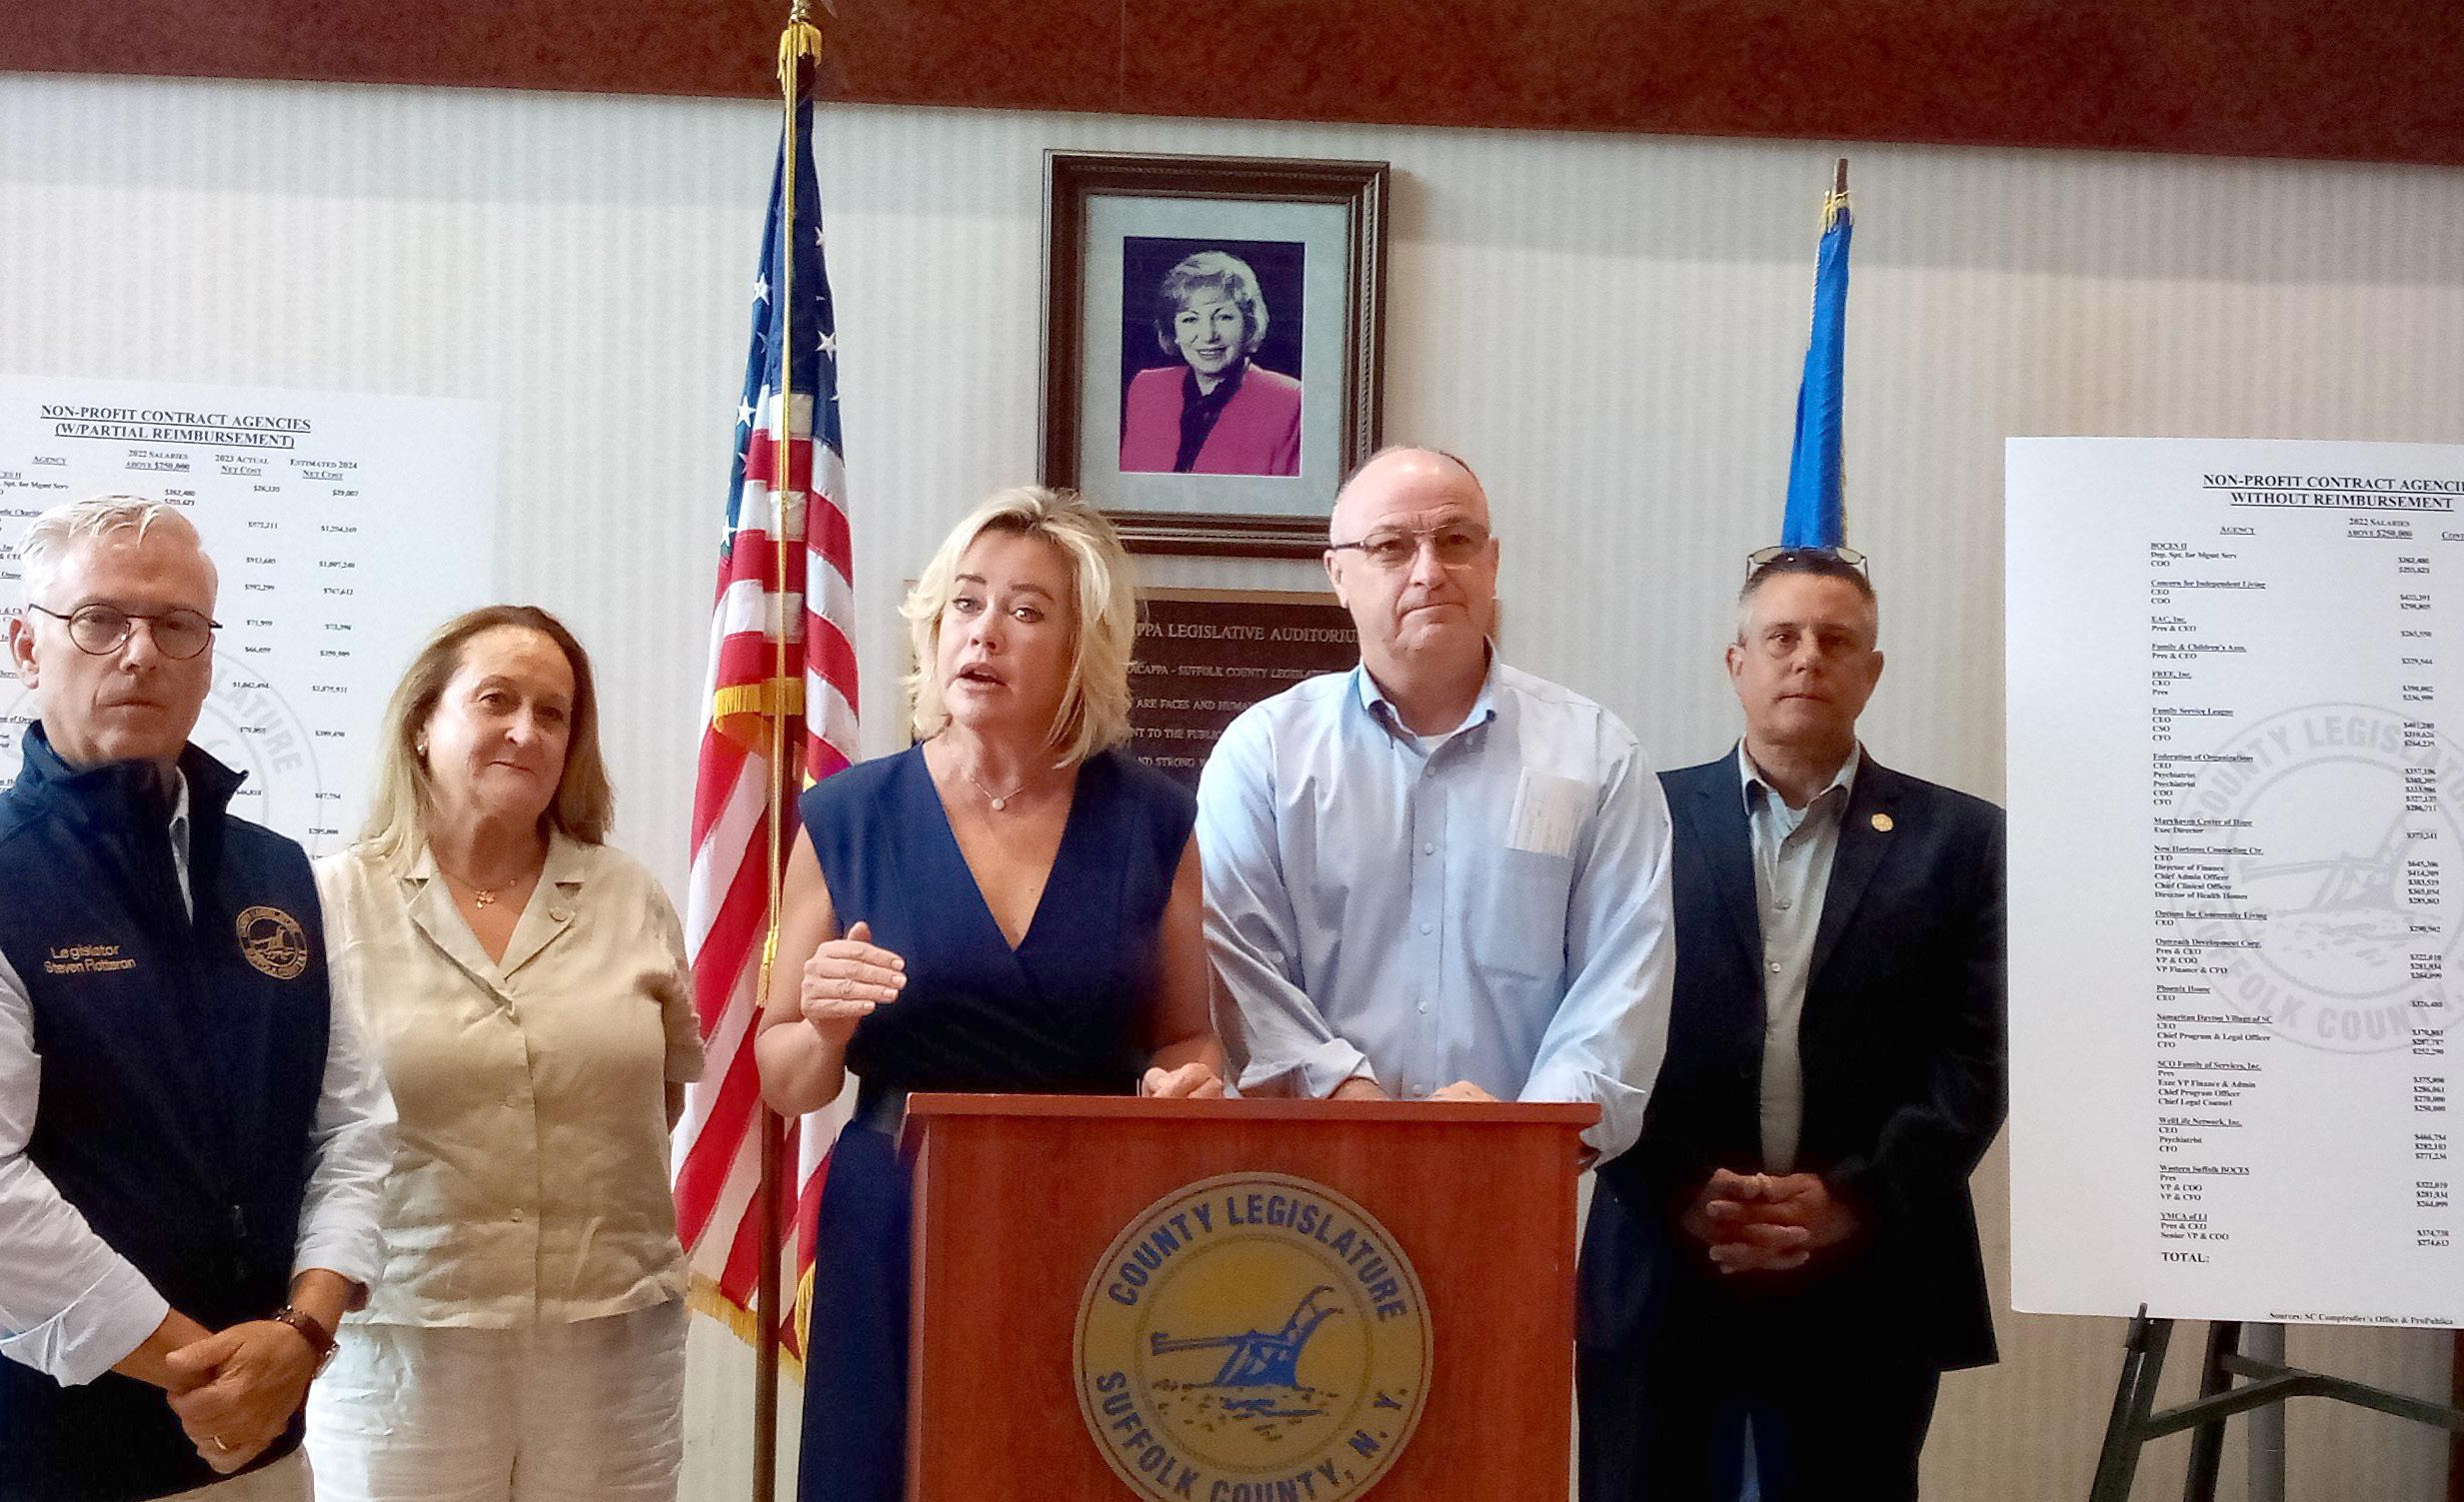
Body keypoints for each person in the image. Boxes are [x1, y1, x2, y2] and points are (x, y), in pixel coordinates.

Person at [0, 496, 391, 1501]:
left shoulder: (284, 880)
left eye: (177, 624)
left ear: (208, 656)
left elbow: (352, 1125)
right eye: (99, 620)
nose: (141, 652)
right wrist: (216, 1377)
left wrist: (302, 1333)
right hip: (32, 1462)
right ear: (28, 648)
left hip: (262, 1451)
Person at [756, 486, 1224, 1502]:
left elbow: (1189, 1037)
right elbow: (786, 1081)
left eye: (1025, 610)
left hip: (1094, 1215)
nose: (984, 632)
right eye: (965, 603)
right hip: (898, 1211)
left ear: (1080, 649)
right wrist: (824, 1027)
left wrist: (1187, 1083)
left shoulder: (1153, 821)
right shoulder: (846, 814)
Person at [1575, 549, 2006, 1502]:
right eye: (1781, 636)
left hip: (1868, 1267)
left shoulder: (1966, 842)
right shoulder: (1634, 819)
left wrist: (1848, 1198)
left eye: (1835, 640)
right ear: (1737, 663)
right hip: (1663, 1252)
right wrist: (1683, 1189)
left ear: (1871, 670)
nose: (1807, 656)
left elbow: (1975, 1064)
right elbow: (1584, 1026)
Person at [299, 606, 704, 1502]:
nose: (526, 730)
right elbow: (302, 1126)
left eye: (553, 712)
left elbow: (661, 1098)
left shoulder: (627, 895)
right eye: (496, 700)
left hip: (610, 1342)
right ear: (422, 722)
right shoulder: (330, 902)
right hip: (404, 1339)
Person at [1197, 445, 1674, 1165]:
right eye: (1390, 546)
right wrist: (1353, 1106)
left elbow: (1622, 985)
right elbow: (1238, 968)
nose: (1429, 570)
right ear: (1337, 575)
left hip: (1512, 1181)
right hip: (1308, 1181)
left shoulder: (1598, 756)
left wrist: (1517, 1135)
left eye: (1455, 540)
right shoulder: (1263, 754)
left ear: (1492, 562)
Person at [1118, 250, 1303, 478]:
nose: (1208, 335)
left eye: (1223, 317)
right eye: (1190, 319)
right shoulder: (1147, 389)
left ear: (1248, 324)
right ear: (1173, 330)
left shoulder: (1289, 400)